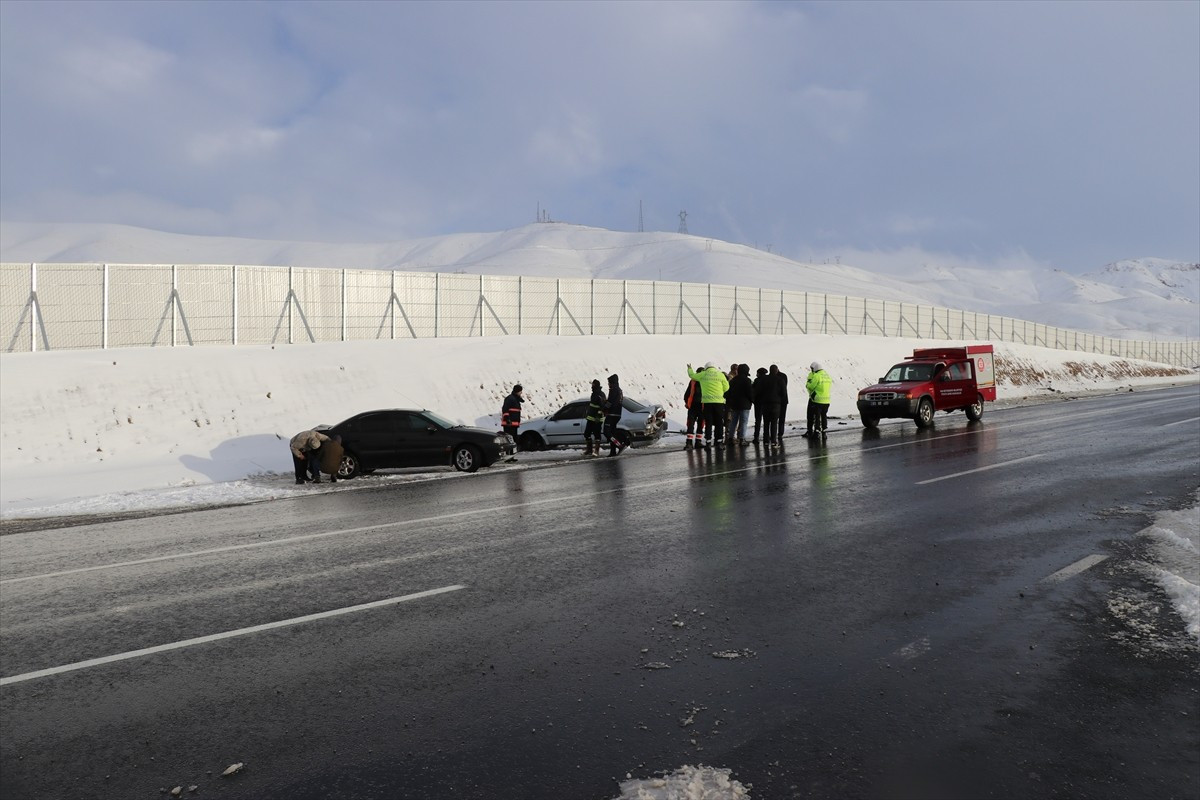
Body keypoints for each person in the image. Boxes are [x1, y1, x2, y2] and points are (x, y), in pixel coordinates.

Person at [686, 361, 730, 447]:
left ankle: (708, 442)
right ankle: (719, 441)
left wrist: (689, 369)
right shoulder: (720, 375)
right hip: (719, 403)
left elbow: (692, 376)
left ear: (706, 368)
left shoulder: (703, 374)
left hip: (707, 403)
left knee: (708, 423)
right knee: (719, 423)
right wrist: (720, 392)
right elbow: (727, 387)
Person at [725, 363, 754, 446]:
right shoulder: (747, 380)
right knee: (744, 422)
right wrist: (753, 400)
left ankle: (730, 438)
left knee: (733, 422)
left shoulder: (733, 380)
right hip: (745, 405)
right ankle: (742, 439)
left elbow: (728, 393)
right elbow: (750, 393)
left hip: (734, 405)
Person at [804, 361, 834, 438]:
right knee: (824, 415)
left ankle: (817, 431)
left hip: (818, 400)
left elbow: (811, 386)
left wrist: (807, 384)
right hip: (827, 400)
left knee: (817, 416)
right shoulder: (827, 375)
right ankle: (824, 430)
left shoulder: (817, 376)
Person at [602, 373, 625, 456]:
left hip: (612, 414)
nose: (608, 384)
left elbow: (610, 402)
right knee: (612, 432)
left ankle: (619, 445)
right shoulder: (619, 390)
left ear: (612, 382)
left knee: (606, 432)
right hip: (618, 414)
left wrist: (604, 408)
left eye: (609, 382)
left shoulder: (613, 389)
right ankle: (613, 451)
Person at [683, 370, 706, 449]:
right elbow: (687, 394)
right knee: (697, 424)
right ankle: (696, 442)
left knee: (693, 424)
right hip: (699, 406)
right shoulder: (705, 381)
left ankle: (691, 442)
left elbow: (687, 394)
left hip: (695, 406)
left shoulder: (693, 381)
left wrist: (687, 402)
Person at [584, 379, 605, 457]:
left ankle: (596, 451)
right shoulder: (593, 394)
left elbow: (602, 407)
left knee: (597, 434)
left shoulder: (601, 395)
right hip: (590, 417)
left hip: (597, 419)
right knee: (586, 434)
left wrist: (598, 416)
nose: (591, 387)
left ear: (596, 386)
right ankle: (589, 450)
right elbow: (592, 405)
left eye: (593, 385)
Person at [501, 384, 524, 458]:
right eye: (520, 391)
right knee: (509, 441)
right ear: (517, 391)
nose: (521, 393)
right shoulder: (510, 399)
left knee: (513, 441)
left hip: (513, 424)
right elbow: (505, 409)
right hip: (509, 424)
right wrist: (507, 419)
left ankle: (511, 456)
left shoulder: (515, 399)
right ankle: (508, 456)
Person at [770, 364, 789, 445]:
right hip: (783, 400)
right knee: (781, 418)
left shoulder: (772, 377)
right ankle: (780, 433)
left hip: (776, 400)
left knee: (774, 419)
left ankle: (775, 434)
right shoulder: (783, 376)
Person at [751, 367, 769, 442]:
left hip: (758, 403)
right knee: (767, 421)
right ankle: (767, 436)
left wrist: (753, 400)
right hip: (767, 403)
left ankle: (756, 437)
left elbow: (754, 391)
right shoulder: (769, 380)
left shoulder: (757, 380)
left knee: (758, 420)